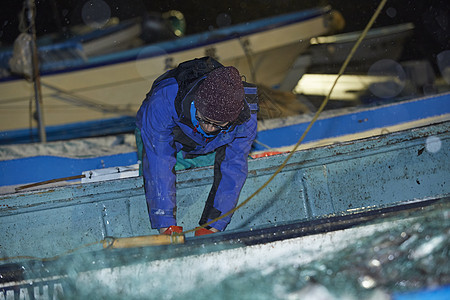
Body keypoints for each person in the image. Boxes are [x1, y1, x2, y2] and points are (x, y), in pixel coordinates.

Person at [135, 57, 258, 236]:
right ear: (196, 103)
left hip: (209, 146)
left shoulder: (246, 117)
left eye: (217, 124)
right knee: (152, 178)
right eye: (204, 119)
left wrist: (213, 225)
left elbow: (234, 165)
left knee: (244, 170)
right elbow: (158, 162)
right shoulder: (164, 100)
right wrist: (166, 225)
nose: (209, 127)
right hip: (161, 140)